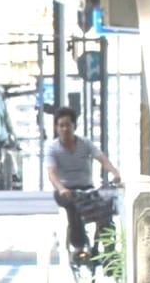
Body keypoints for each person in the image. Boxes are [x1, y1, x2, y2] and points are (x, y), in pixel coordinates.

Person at [44, 105, 121, 257]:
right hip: (65, 190)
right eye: (61, 125)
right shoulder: (52, 148)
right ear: (56, 128)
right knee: (74, 208)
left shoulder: (85, 143)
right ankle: (78, 246)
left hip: (86, 188)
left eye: (68, 125)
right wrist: (61, 188)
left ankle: (108, 251)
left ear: (74, 126)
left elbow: (102, 159)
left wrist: (114, 173)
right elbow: (52, 173)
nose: (65, 129)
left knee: (105, 209)